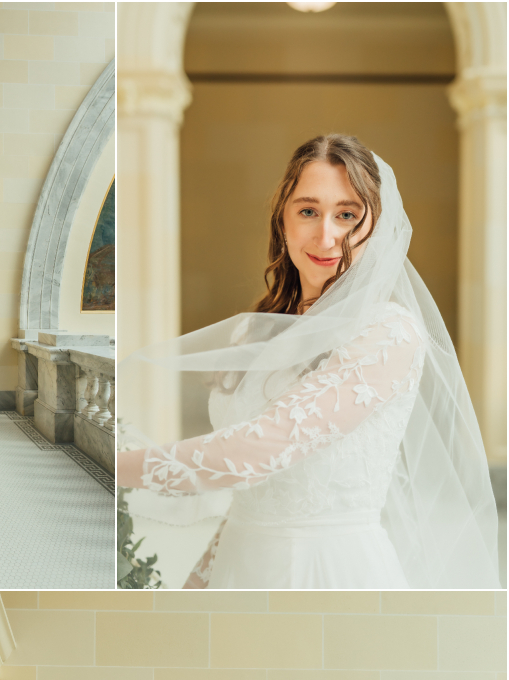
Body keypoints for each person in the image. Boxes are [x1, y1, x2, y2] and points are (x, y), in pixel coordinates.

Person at [118, 136, 499, 591]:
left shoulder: (387, 334)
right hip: (239, 566)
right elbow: (252, 500)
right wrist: (199, 583)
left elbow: (251, 453)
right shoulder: (254, 333)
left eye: (347, 215)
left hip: (329, 574)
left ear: (376, 226)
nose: (326, 236)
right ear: (283, 220)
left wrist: (116, 464)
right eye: (308, 211)